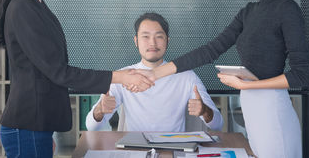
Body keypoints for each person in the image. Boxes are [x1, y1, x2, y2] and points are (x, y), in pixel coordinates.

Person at [136, 0, 309, 158]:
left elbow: (303, 75)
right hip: (253, 111)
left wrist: (246, 85)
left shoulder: (288, 10)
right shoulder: (248, 12)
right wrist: (155, 74)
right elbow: (210, 50)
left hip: (273, 112)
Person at [0, 0, 153, 157]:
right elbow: (59, 72)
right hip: (27, 126)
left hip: (38, 125)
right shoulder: (22, 8)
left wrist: (47, 134)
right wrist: (122, 76)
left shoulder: (35, 4)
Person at [86, 12, 223, 132]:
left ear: (167, 41)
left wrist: (204, 111)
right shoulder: (123, 76)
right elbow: (91, 126)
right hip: (135, 151)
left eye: (159, 36)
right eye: (145, 36)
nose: (152, 43)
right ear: (136, 41)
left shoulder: (186, 76)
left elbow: (218, 125)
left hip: (174, 150)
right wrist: (100, 110)